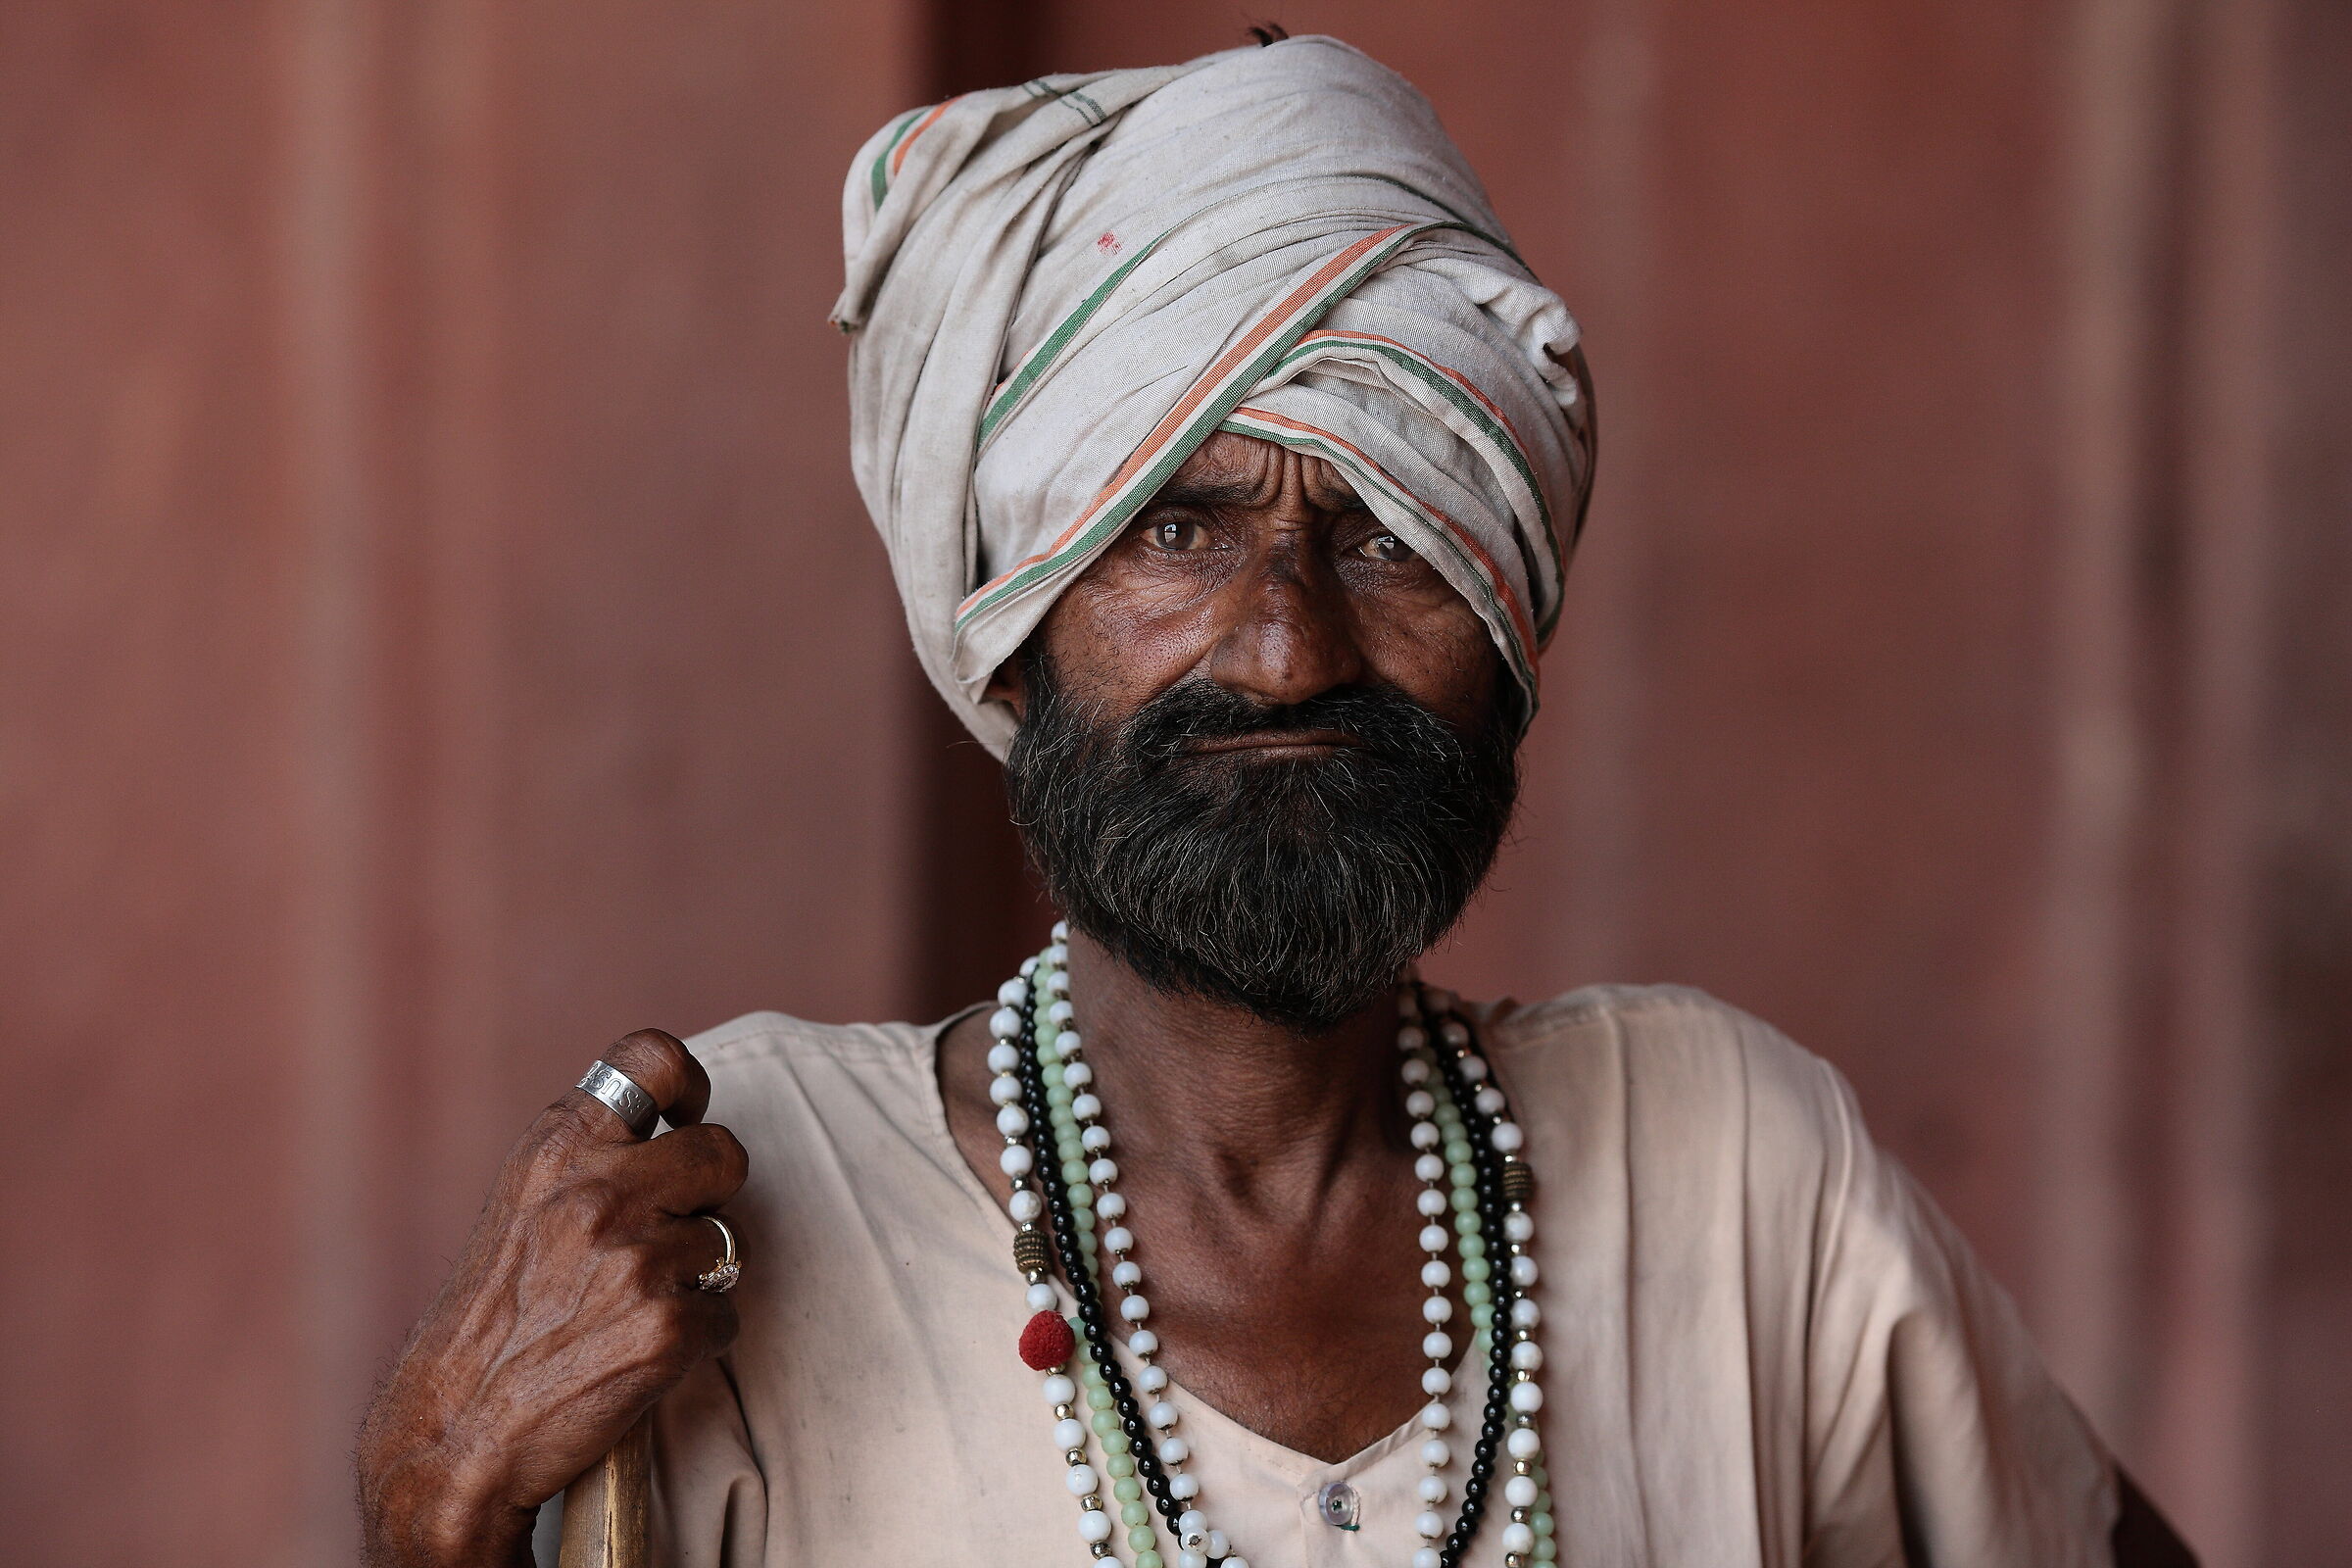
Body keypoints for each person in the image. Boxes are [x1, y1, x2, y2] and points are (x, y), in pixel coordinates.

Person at [356, 33, 2194, 1568]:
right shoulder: (739, 1207)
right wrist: (433, 1513)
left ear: (1507, 618)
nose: (1290, 646)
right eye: (1175, 526)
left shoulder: (1729, 1166)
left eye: (1393, 530)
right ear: (1017, 624)